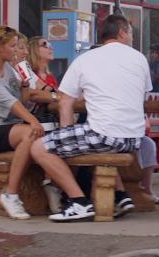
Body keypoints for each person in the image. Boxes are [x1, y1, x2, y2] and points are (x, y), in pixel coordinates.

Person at [37, 14, 149, 222]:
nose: (132, 38)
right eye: (131, 33)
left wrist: (66, 134)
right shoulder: (140, 58)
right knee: (92, 138)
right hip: (135, 139)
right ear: (122, 33)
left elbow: (65, 103)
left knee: (39, 148)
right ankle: (120, 196)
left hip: (105, 135)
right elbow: (139, 97)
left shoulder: (85, 59)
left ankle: (78, 201)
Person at [0, 26, 43, 220]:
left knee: (43, 135)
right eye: (12, 46)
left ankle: (50, 187)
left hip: (11, 125)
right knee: (30, 133)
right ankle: (11, 194)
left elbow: (22, 101)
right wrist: (33, 121)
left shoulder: (8, 68)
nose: (16, 49)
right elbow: (11, 104)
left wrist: (24, 84)